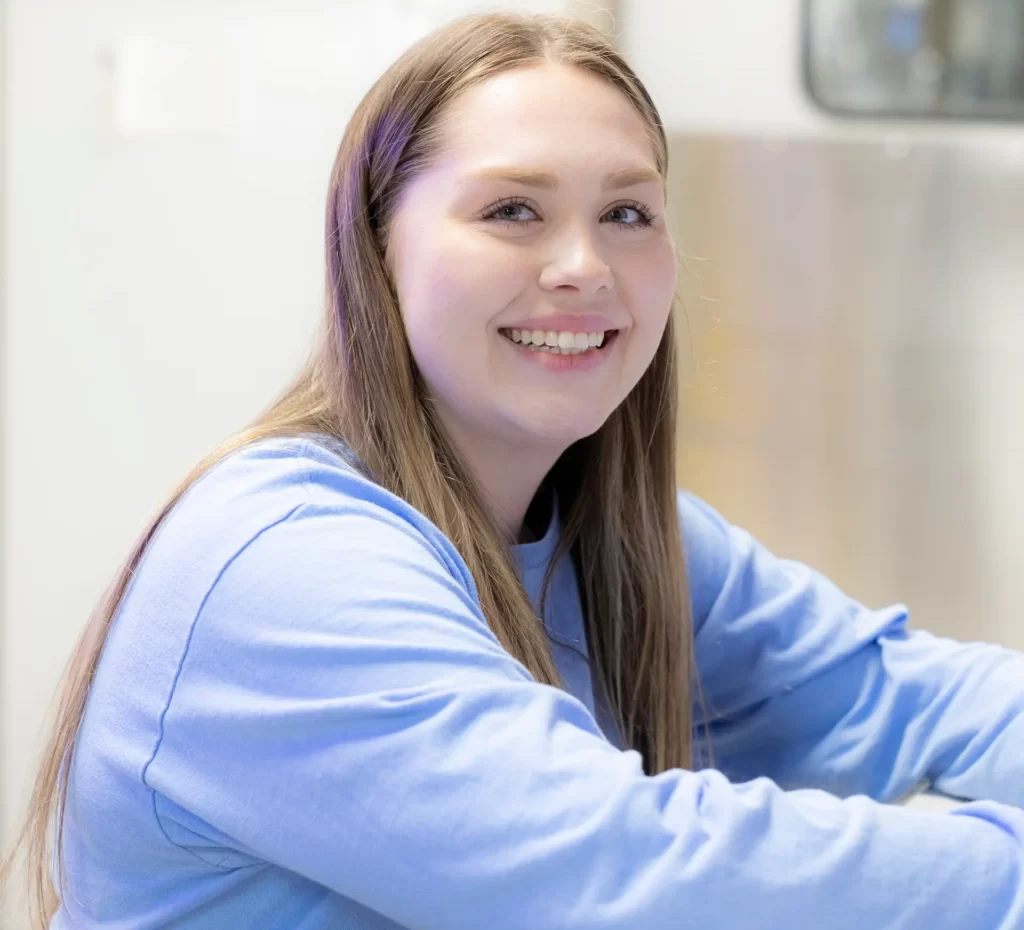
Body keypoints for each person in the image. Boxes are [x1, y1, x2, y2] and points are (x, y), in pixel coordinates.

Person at [3, 10, 1024, 929]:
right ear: (375, 249)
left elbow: (909, 692)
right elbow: (632, 879)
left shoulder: (616, 538)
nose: (583, 265)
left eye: (627, 213)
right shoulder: (286, 565)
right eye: (511, 212)